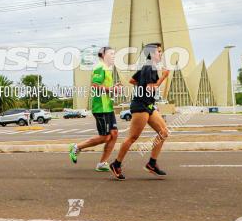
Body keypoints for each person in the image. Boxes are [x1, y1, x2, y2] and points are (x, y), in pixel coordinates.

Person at [109, 43, 170, 180]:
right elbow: (150, 89)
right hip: (140, 106)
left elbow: (132, 80)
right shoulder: (150, 68)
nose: (161, 54)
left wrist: (142, 88)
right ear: (152, 54)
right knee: (132, 137)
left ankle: (152, 164)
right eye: (159, 52)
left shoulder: (146, 67)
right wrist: (163, 77)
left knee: (164, 132)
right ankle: (116, 164)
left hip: (148, 105)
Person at [69, 47, 121, 171]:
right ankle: (77, 147)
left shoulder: (107, 69)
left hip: (108, 107)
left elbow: (104, 88)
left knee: (114, 134)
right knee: (105, 137)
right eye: (110, 53)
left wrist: (114, 88)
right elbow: (95, 86)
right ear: (103, 55)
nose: (113, 56)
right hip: (100, 108)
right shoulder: (99, 67)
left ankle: (102, 163)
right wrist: (111, 89)